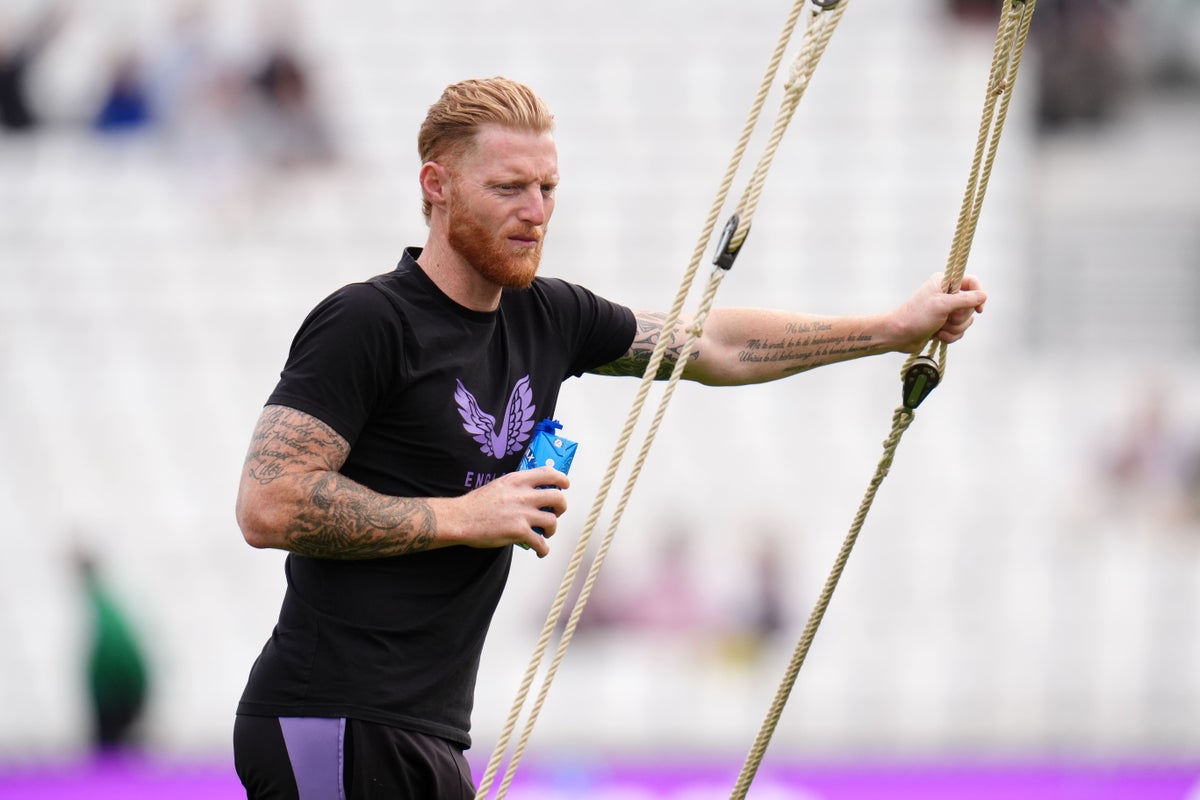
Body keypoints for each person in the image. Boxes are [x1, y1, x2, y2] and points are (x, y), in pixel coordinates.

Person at [231, 76, 987, 799]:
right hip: (330, 717)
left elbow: (712, 345)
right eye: (508, 188)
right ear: (437, 185)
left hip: (427, 733)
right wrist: (465, 516)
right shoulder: (368, 320)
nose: (535, 211)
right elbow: (269, 504)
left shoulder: (549, 316)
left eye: (547, 188)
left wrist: (891, 329)